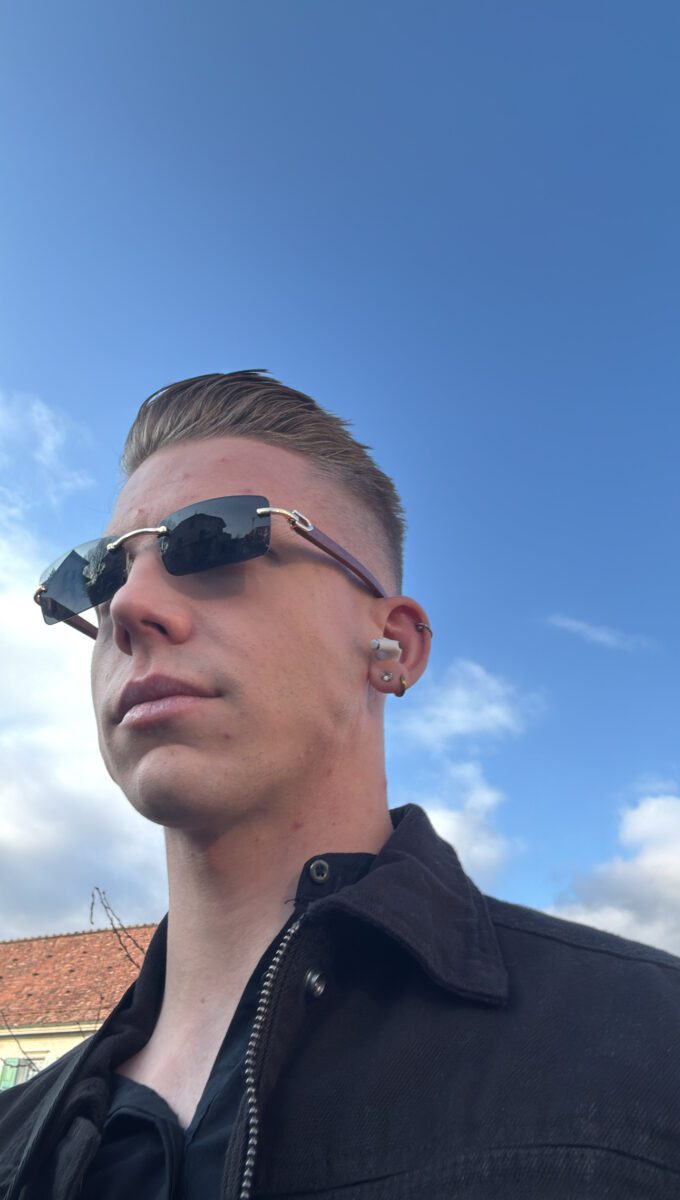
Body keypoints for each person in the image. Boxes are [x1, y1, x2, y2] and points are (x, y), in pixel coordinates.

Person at [1, 371, 679, 1200]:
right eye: (101, 576)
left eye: (212, 540)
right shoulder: (15, 1140)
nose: (130, 608)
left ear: (394, 645)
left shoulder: (650, 1052)